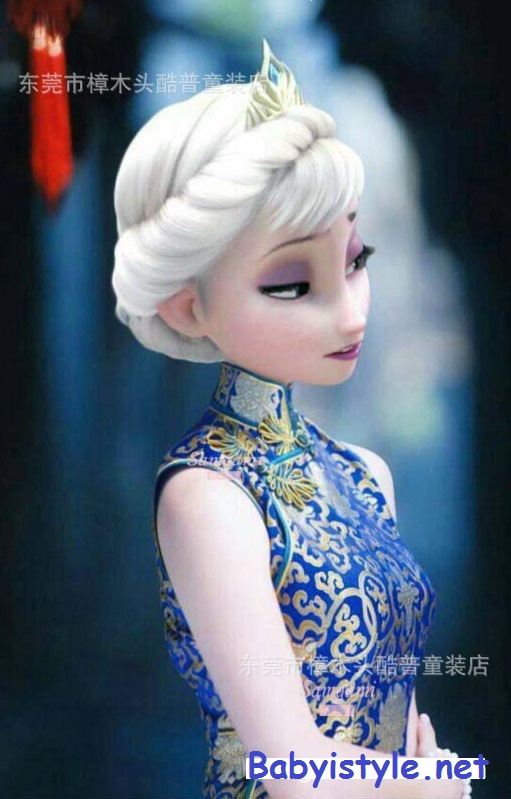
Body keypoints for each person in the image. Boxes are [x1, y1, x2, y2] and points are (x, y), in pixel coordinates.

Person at [112, 40, 469, 799]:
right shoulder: (206, 495)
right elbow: (289, 771)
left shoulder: (364, 475)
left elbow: (396, 714)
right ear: (188, 308)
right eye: (290, 285)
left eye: (355, 260)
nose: (349, 311)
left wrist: (420, 772)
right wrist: (427, 783)